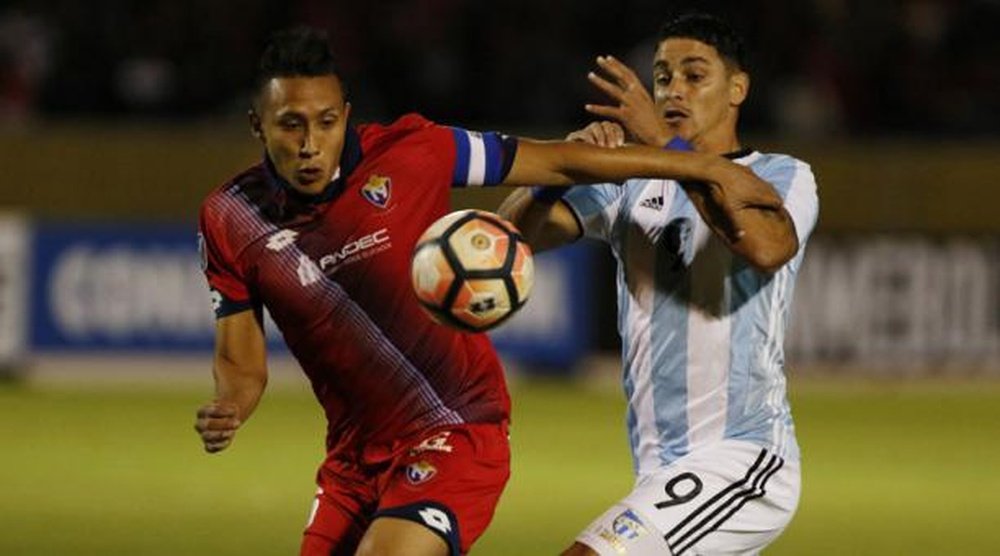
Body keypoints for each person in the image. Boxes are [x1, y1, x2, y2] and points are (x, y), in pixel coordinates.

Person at [193, 26, 782, 556]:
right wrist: (231, 406)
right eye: (290, 125)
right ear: (257, 125)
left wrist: (700, 168)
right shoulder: (231, 217)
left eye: (325, 122)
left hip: (457, 426)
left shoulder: (412, 152)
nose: (309, 143)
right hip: (351, 459)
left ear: (345, 115)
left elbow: (558, 163)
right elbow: (241, 364)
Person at [498, 12, 819, 556]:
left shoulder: (783, 176)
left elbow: (766, 245)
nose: (674, 90)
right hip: (659, 469)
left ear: (737, 88)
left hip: (741, 459)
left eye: (695, 75)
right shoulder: (632, 179)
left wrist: (662, 147)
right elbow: (510, 236)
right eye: (664, 76)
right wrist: (565, 168)